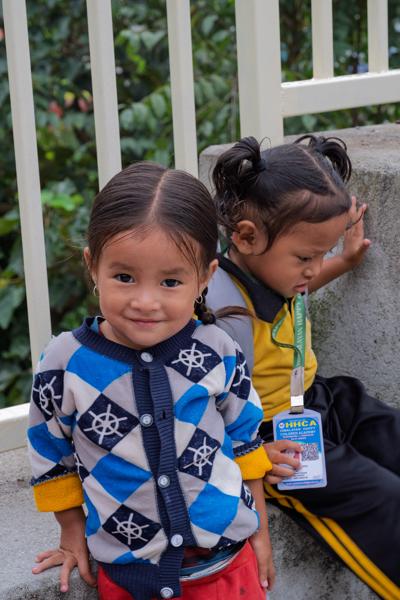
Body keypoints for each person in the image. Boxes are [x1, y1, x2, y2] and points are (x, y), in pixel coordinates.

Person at [27, 162, 275, 600]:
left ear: (204, 278)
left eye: (170, 281)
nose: (145, 301)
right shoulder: (65, 363)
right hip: (128, 576)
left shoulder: (216, 349)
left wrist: (261, 532)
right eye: (123, 277)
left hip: (227, 567)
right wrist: (71, 534)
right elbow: (51, 453)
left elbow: (246, 441)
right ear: (92, 266)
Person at [207, 134, 400, 600]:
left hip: (318, 398)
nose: (314, 269)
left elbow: (299, 288)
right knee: (383, 498)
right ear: (247, 236)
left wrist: (343, 260)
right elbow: (205, 406)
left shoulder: (275, 269)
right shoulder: (220, 313)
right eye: (306, 257)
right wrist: (245, 457)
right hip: (271, 439)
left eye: (322, 254)